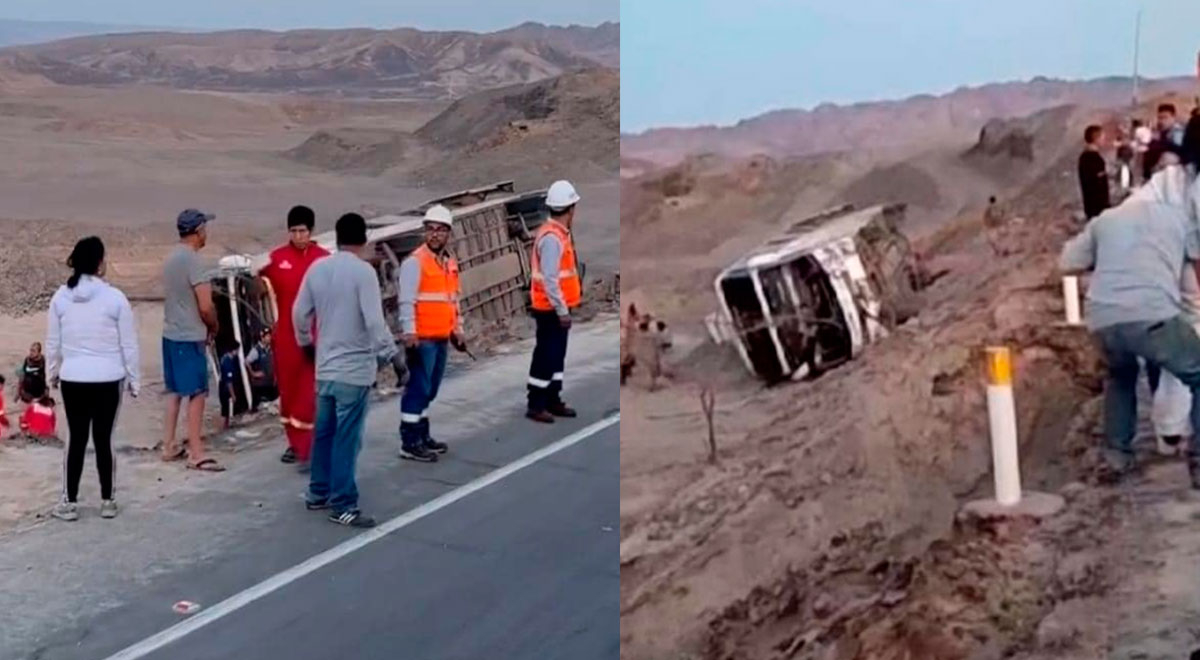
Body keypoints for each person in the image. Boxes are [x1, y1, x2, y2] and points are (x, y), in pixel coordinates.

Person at [1059, 160, 1200, 486]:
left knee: (1120, 378)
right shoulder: (1178, 218)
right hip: (1153, 315)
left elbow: (1067, 263)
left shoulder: (1106, 220)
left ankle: (1116, 457)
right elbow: (1194, 269)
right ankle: (1197, 461)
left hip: (1103, 318)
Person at [293, 212, 407, 528]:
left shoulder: (317, 269)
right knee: (346, 438)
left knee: (325, 433)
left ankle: (318, 492)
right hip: (353, 372)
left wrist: (306, 345)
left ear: (338, 237)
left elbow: (299, 314)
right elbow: (374, 322)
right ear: (364, 238)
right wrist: (394, 358)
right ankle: (343, 503)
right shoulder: (363, 274)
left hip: (325, 370)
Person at [45, 236, 140, 521]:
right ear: (99, 263)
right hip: (109, 378)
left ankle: (69, 501)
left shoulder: (60, 297)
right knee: (103, 439)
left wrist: (52, 372)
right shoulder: (115, 298)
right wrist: (134, 379)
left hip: (73, 377)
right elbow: (129, 344)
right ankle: (108, 500)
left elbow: (53, 342)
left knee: (75, 438)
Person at [257, 205, 330, 470]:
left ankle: (308, 445)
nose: (299, 236)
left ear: (311, 231)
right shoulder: (276, 259)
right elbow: (254, 283)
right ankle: (293, 441)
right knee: (288, 391)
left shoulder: (324, 259)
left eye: (303, 231)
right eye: (294, 231)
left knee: (309, 393)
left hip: (315, 336)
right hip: (286, 338)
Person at [396, 204, 465, 462]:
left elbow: (452, 300)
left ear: (448, 233)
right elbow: (406, 300)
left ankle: (422, 435)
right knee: (418, 388)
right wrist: (409, 332)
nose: (435, 234)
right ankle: (410, 441)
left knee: (430, 389)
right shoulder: (415, 262)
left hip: (441, 337)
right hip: (422, 338)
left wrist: (457, 330)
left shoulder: (448, 263)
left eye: (440, 230)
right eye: (430, 229)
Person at [161, 208, 223, 472]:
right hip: (190, 336)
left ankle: (169, 445)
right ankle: (196, 452)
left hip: (170, 334)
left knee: (175, 391)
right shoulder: (194, 262)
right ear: (198, 231)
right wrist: (214, 326)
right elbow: (206, 306)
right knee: (197, 393)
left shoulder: (171, 257)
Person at [526, 180, 584, 423]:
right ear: (570, 209)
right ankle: (536, 403)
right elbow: (550, 279)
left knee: (556, 355)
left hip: (557, 307)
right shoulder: (552, 238)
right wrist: (562, 310)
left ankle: (552, 398)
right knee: (546, 355)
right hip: (550, 309)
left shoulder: (559, 235)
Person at [1078, 124, 1110, 220]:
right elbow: (1098, 184)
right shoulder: (1093, 159)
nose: (1104, 140)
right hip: (1097, 208)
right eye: (1102, 137)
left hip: (1091, 206)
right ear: (1096, 138)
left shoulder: (1084, 157)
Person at [245, 328, 278, 409]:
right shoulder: (256, 350)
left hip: (270, 383)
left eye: (270, 336)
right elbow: (247, 361)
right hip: (260, 385)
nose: (269, 338)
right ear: (262, 338)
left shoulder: (271, 348)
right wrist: (253, 373)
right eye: (267, 336)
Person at [218, 340, 247, 429]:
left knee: (226, 411)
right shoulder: (228, 362)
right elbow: (228, 381)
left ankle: (225, 427)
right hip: (226, 390)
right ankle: (224, 428)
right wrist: (233, 394)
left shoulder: (226, 359)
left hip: (224, 388)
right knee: (226, 411)